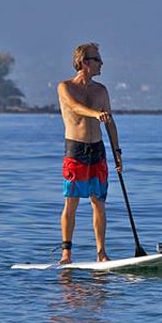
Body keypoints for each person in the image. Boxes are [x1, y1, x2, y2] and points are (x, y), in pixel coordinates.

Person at [56, 43, 122, 265]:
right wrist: (96, 114)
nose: (101, 64)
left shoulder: (101, 91)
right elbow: (75, 108)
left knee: (99, 202)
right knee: (71, 202)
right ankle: (66, 254)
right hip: (76, 150)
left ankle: (101, 253)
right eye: (97, 60)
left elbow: (110, 123)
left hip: (98, 150)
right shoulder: (65, 87)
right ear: (85, 62)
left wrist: (117, 153)